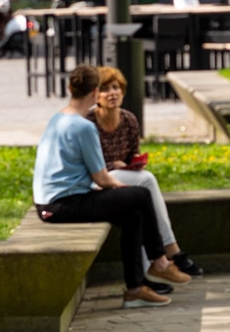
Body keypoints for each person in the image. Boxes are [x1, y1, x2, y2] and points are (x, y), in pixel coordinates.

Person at [33, 64, 192, 307]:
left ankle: (135, 289)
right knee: (140, 195)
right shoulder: (84, 126)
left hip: (54, 201)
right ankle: (159, 261)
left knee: (132, 213)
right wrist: (125, 190)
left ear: (69, 88)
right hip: (61, 203)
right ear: (95, 92)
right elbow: (102, 178)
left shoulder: (60, 117)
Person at [87, 66, 205, 277]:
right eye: (105, 89)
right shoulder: (89, 123)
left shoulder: (129, 120)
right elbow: (92, 163)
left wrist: (134, 163)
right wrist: (116, 166)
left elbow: (133, 154)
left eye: (116, 88)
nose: (112, 93)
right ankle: (172, 250)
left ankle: (142, 279)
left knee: (139, 204)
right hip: (98, 180)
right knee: (147, 180)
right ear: (96, 95)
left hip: (124, 179)